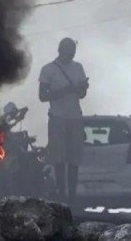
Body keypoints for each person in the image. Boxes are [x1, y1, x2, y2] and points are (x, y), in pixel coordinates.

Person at [39, 37, 89, 204]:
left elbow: (82, 94)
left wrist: (82, 88)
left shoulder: (78, 67)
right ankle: (61, 193)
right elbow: (42, 96)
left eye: (73, 52)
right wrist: (63, 91)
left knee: (74, 159)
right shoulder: (48, 70)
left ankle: (72, 195)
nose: (72, 55)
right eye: (69, 52)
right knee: (59, 158)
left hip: (75, 117)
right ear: (61, 50)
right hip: (57, 118)